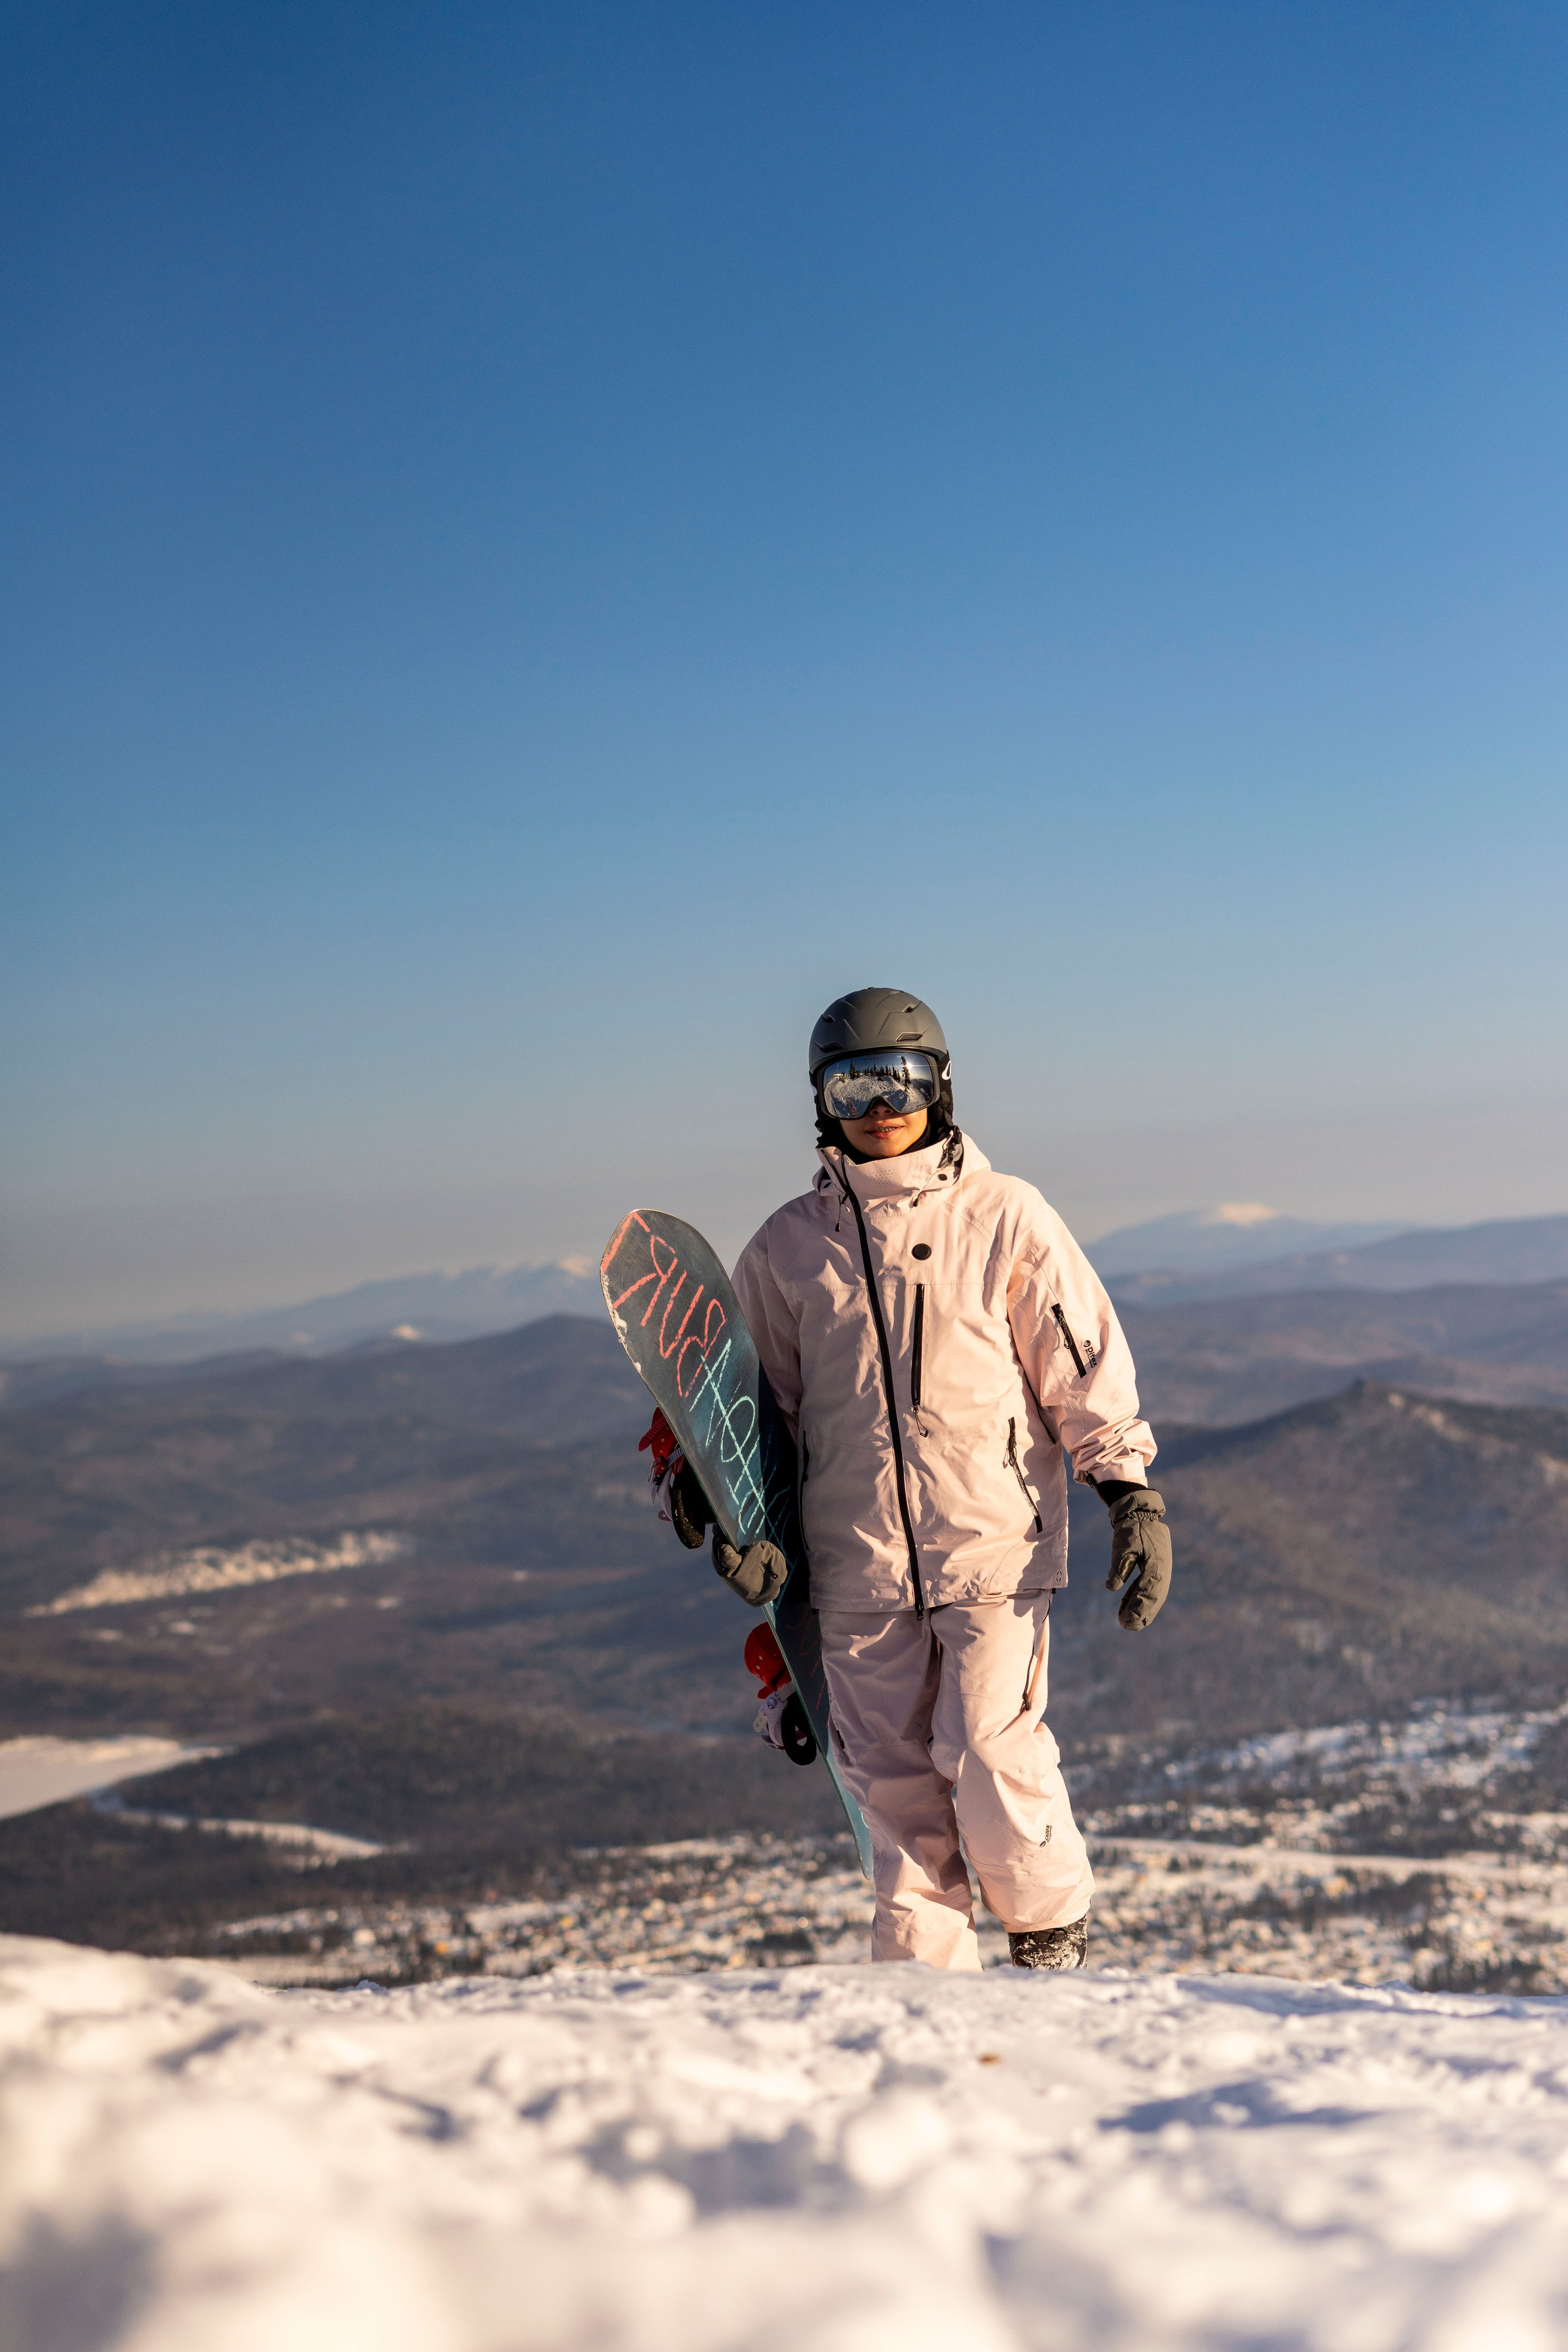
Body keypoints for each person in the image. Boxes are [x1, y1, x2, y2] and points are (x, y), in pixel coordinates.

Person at [671, 989, 1171, 1971]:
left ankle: (1047, 1939)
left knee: (989, 1750)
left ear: (940, 1084)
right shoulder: (785, 1247)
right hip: (854, 1562)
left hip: (994, 1542)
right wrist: (708, 1485)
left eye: (899, 1078)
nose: (878, 1104)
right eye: (852, 1083)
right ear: (823, 1103)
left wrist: (1129, 1492)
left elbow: (1081, 1363)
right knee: (891, 1794)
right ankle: (922, 2008)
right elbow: (751, 1402)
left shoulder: (1006, 1216)